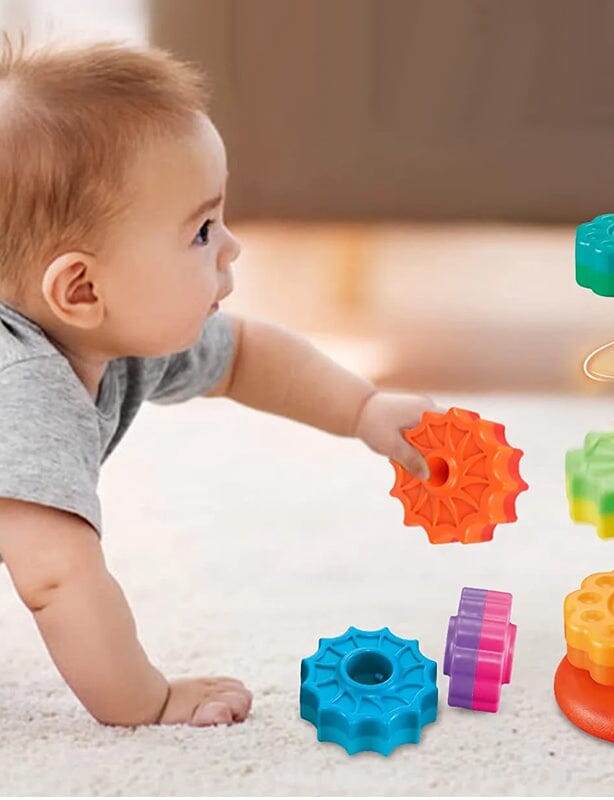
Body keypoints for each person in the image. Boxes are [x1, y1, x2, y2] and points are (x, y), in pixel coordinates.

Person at [0, 36, 437, 727]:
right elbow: (57, 577)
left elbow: (245, 357)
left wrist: (365, 408)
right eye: (202, 230)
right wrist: (148, 701)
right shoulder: (23, 393)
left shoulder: (115, 333)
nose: (231, 247)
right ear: (81, 288)